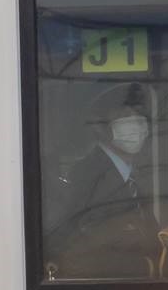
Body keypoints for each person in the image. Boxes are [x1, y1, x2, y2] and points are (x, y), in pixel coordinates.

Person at [48, 82, 160, 278]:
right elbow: (81, 252)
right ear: (100, 127)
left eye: (139, 115)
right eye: (124, 116)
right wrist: (148, 267)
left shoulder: (132, 176)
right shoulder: (87, 176)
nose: (135, 124)